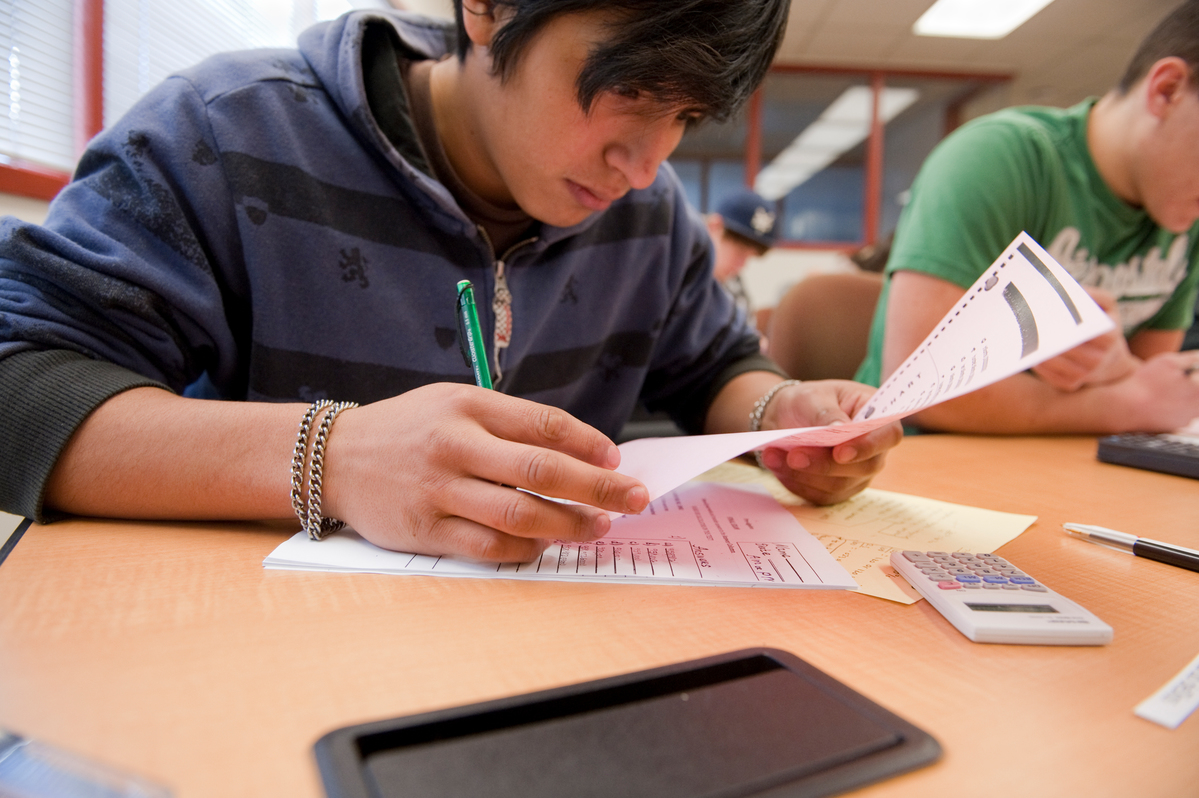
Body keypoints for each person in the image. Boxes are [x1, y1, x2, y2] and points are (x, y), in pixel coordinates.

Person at [0, 0, 902, 563]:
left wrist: (772, 418)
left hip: (557, 663)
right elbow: (19, 386)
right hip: (254, 667)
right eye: (629, 92)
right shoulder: (227, 135)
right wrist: (334, 458)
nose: (644, 164)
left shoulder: (650, 218)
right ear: (489, 8)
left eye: (687, 117)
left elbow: (711, 368)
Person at [855, 0, 1199, 435]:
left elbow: (1154, 390)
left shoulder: (1181, 215)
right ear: (1167, 89)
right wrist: (1119, 405)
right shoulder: (997, 159)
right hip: (916, 457)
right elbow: (924, 394)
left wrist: (1118, 371)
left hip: (1062, 463)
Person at [705, 188, 778, 325]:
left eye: (749, 256)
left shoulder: (733, 285)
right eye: (739, 252)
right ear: (714, 227)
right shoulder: (676, 275)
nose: (742, 264)